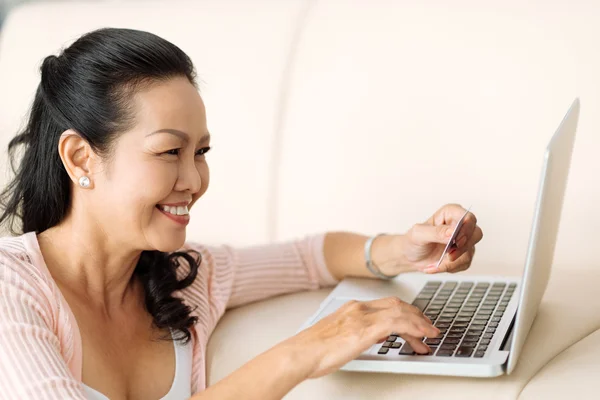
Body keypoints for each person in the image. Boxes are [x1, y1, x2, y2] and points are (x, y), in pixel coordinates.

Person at [0, 28, 483, 400]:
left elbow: (311, 257)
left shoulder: (184, 279)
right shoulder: (11, 288)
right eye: (169, 151)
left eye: (201, 152)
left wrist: (409, 250)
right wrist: (302, 352)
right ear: (81, 158)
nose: (194, 180)